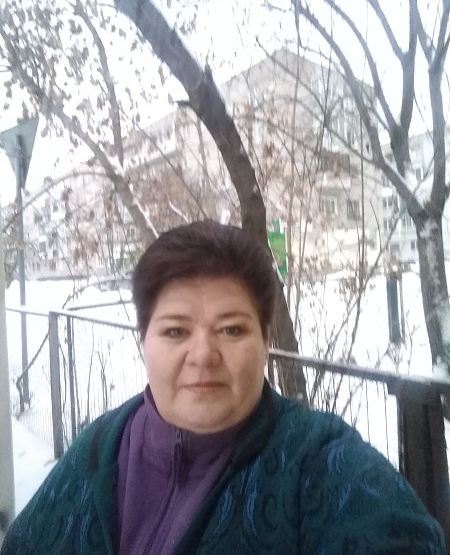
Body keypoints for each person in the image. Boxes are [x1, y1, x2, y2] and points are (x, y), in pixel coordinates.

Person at [1, 220, 446, 554]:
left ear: (265, 341)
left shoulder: (320, 462)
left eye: (231, 330)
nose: (203, 355)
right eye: (175, 331)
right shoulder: (99, 447)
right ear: (143, 341)